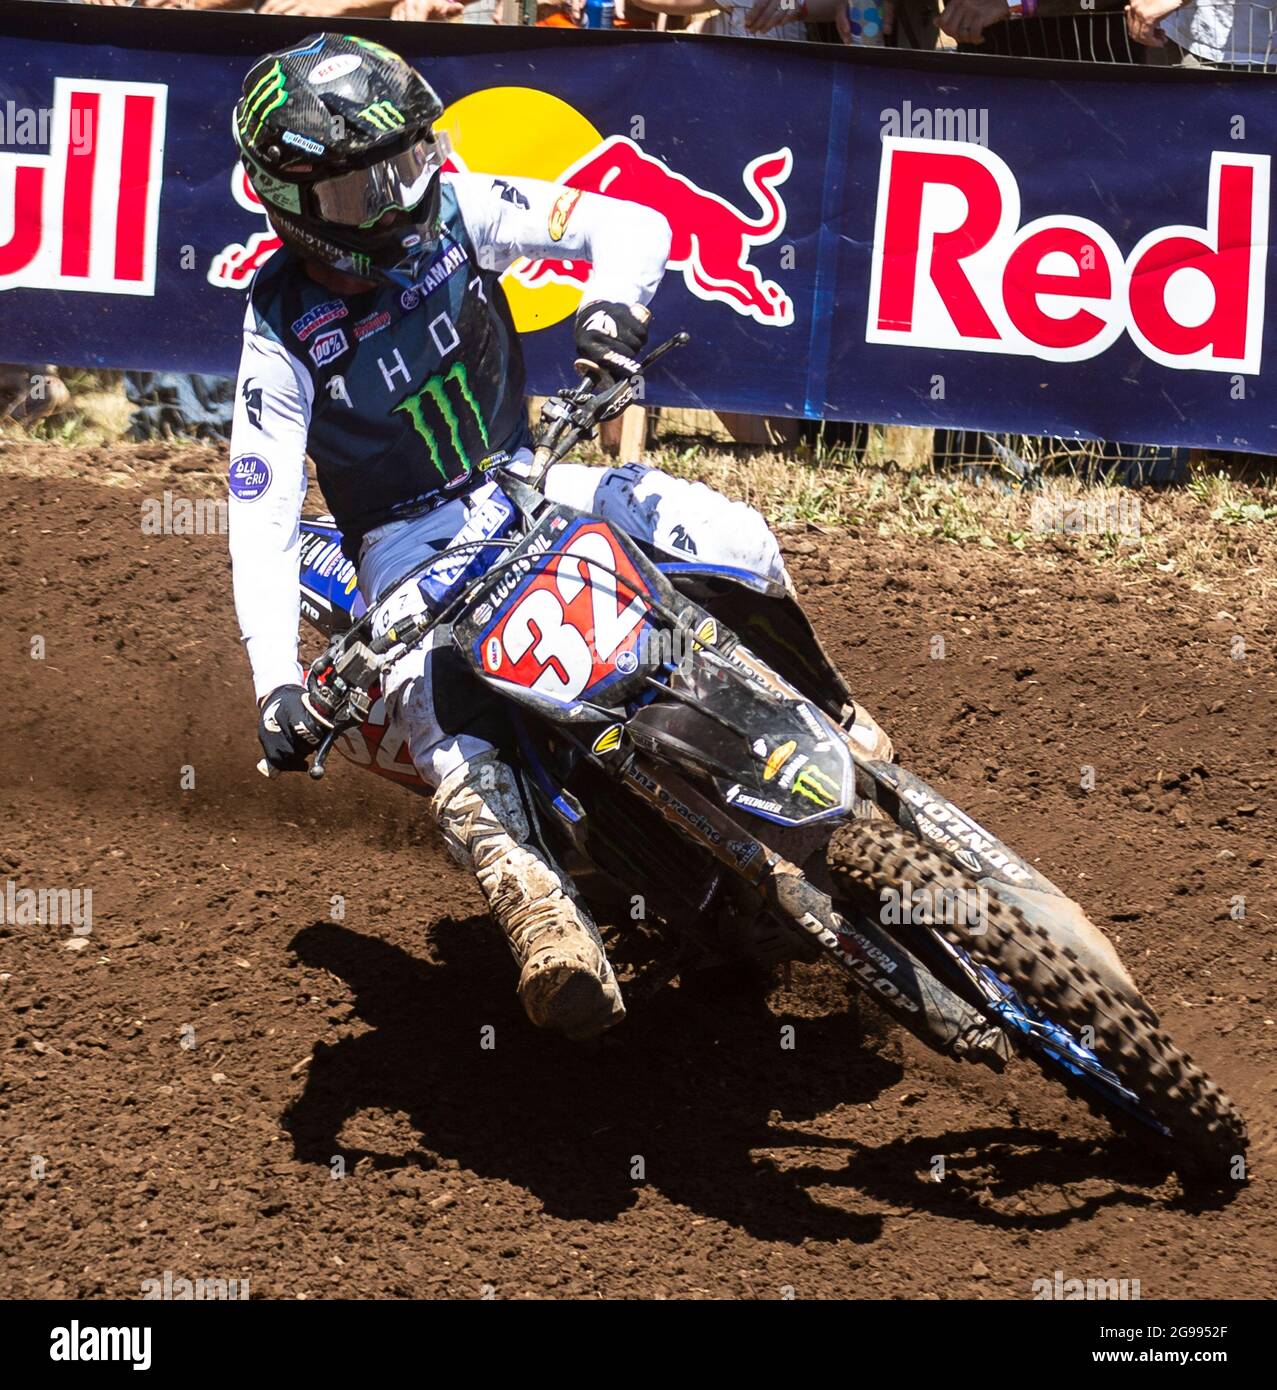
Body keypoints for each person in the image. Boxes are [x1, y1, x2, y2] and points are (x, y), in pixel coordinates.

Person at [227, 33, 793, 1041]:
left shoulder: (454, 204)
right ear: (298, 205)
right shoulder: (278, 327)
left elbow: (625, 219)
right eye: (369, 185)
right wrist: (276, 678)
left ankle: (817, 705)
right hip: (405, 546)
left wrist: (610, 311)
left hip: (527, 476)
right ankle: (537, 906)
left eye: (404, 160)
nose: (401, 193)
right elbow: (261, 507)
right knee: (444, 731)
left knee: (732, 534)